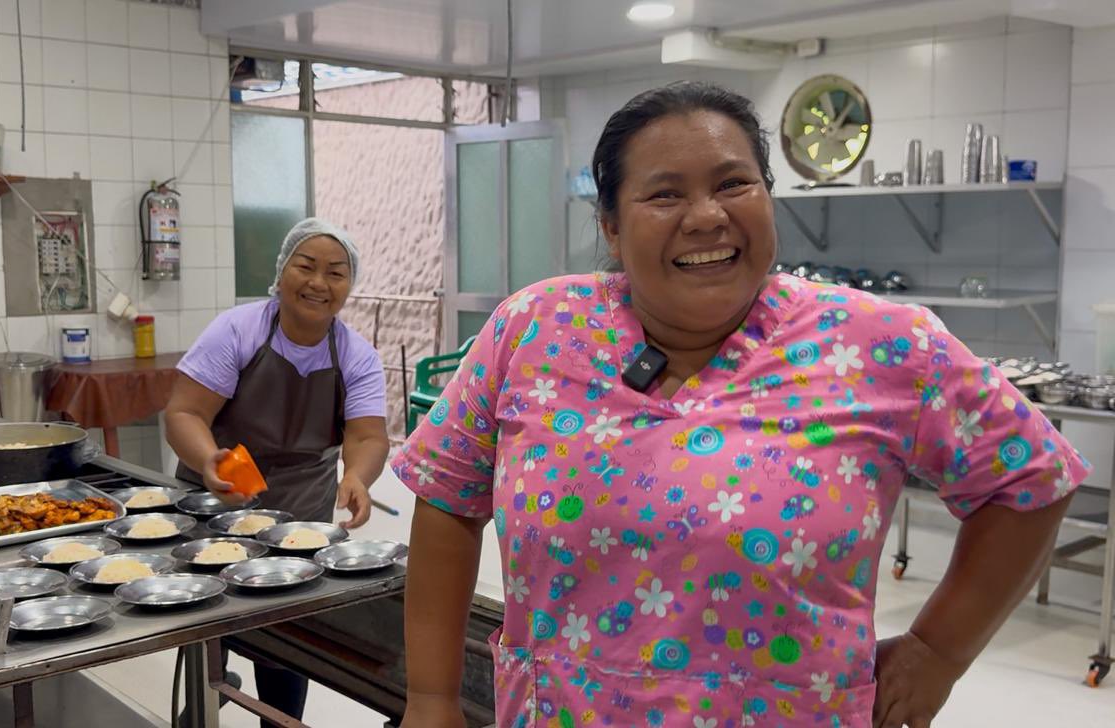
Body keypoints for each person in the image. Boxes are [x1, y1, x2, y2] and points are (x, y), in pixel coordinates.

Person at [393, 82, 1088, 728]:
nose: (706, 217)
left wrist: (940, 651)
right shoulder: (536, 329)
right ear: (609, 225)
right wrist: (430, 698)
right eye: (665, 195)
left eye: (733, 184)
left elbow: (1031, 476)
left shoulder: (881, 344)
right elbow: (450, 497)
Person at [166, 217, 389, 720]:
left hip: (298, 509)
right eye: (305, 266)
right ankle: (204, 705)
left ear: (349, 286)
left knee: (288, 635)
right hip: (223, 492)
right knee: (209, 624)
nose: (318, 283)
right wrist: (209, 459)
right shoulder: (238, 329)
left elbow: (368, 435)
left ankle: (280, 718)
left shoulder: (355, 354)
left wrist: (357, 476)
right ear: (281, 271)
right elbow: (185, 412)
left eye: (336, 273)